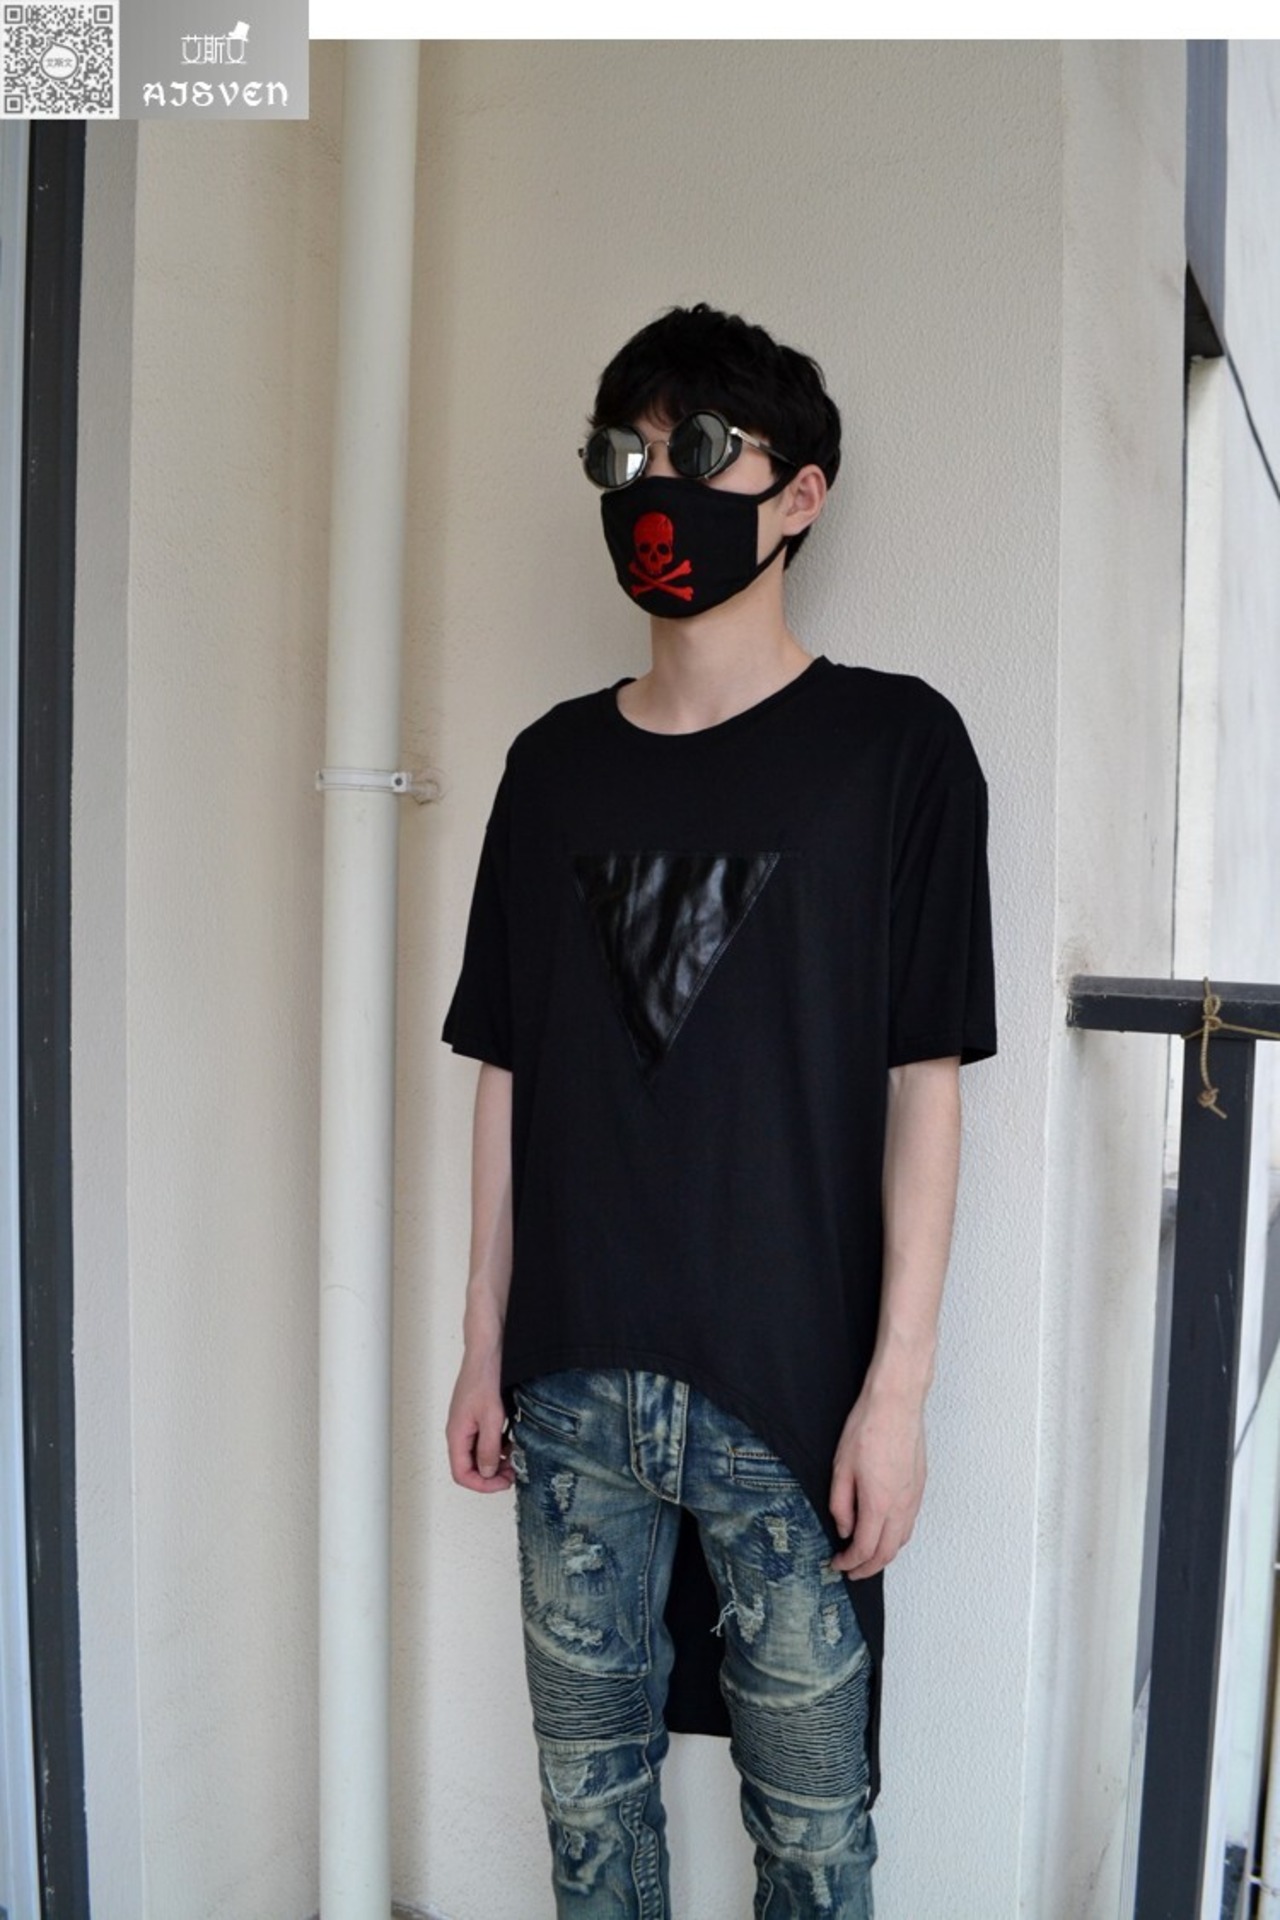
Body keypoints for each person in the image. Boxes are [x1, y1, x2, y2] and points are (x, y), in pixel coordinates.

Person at [442, 302, 997, 1918]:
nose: (654, 490)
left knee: (816, 1839)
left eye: (698, 450)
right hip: (570, 1386)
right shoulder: (550, 767)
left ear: (800, 494)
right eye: (623, 458)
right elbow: (508, 1068)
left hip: (790, 1396)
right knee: (591, 1822)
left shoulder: (896, 750)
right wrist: (482, 1341)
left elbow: (925, 1083)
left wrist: (897, 1392)